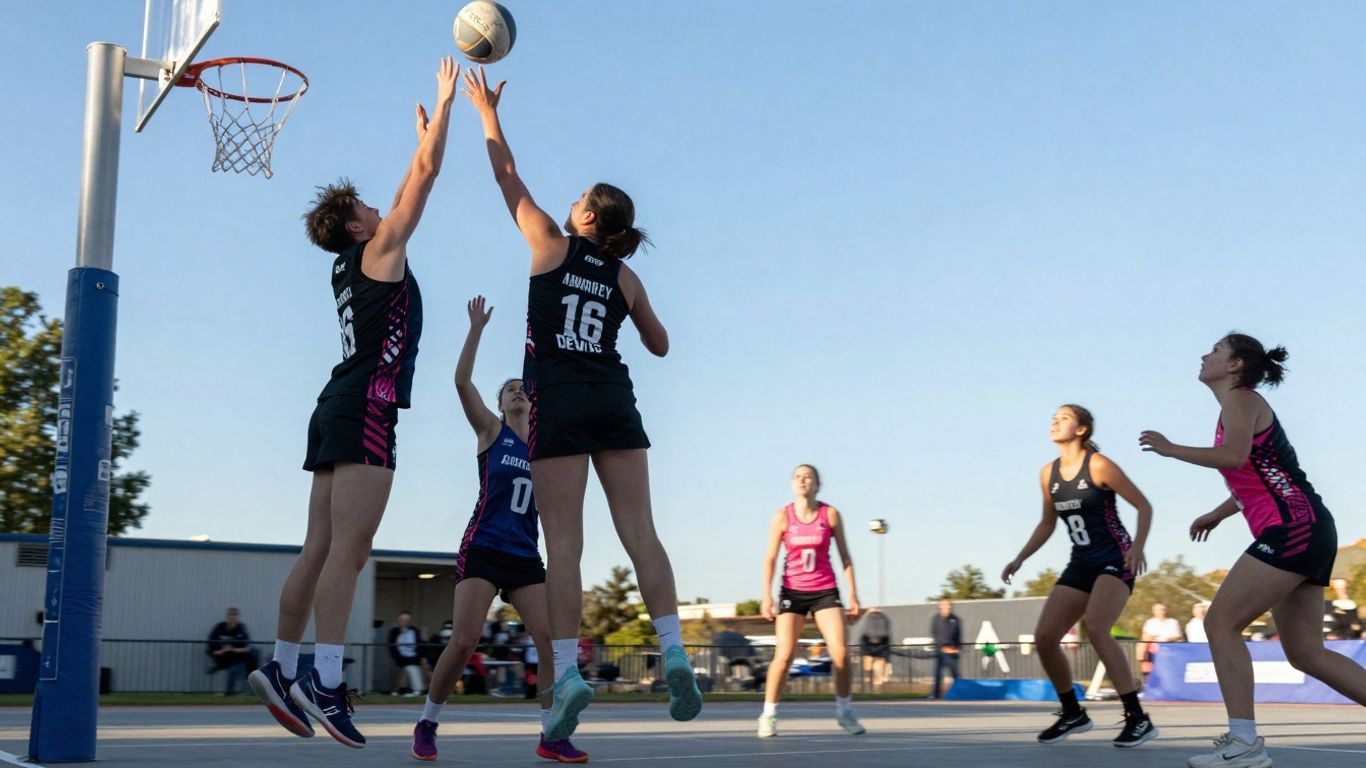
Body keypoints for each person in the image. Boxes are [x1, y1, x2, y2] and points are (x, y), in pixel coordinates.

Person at [461, 65, 702, 743]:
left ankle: (566, 673)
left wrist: (485, 112)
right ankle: (676, 652)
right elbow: (659, 345)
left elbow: (506, 176)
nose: (567, 204)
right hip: (614, 400)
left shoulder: (548, 243)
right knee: (642, 535)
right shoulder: (625, 274)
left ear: (588, 216)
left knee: (563, 546)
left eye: (577, 200)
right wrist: (625, 300)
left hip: (557, 402)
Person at [248, 57, 460, 749]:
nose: (378, 205)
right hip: (365, 406)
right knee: (351, 550)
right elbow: (422, 184)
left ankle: (282, 667)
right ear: (359, 227)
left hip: (334, 401)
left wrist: (419, 140)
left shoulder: (353, 258)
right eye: (367, 205)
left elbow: (406, 185)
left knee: (319, 546)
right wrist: (447, 104)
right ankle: (326, 681)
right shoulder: (379, 251)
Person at [1141, 333, 1366, 767]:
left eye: (1216, 350)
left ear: (1235, 365)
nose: (1205, 355)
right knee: (1306, 653)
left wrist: (1171, 450)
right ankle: (1245, 743)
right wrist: (1221, 511)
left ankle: (1244, 743)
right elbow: (1260, 473)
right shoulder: (1238, 406)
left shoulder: (1240, 400)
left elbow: (1233, 456)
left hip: (1294, 528)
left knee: (1220, 623)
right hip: (1309, 526)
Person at [411, 296, 585, 763]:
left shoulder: (545, 445)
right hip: (485, 547)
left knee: (549, 640)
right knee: (466, 639)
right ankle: (428, 721)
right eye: (508, 389)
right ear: (499, 403)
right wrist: (475, 329)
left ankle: (551, 733)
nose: (516, 392)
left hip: (526, 556)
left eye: (521, 388)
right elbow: (460, 381)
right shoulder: (492, 433)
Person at [1003, 404, 1157, 747]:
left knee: (1097, 627)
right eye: (1053, 418)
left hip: (1116, 557)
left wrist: (1138, 546)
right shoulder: (1048, 473)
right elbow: (1047, 523)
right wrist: (1021, 558)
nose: (1055, 421)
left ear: (1082, 429)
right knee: (1044, 637)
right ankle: (1073, 713)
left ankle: (1137, 717)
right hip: (1081, 562)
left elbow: (1144, 506)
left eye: (1064, 418)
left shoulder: (1098, 465)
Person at [757, 464, 865, 738]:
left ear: (817, 484)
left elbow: (846, 556)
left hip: (825, 590)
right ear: (793, 484)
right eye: (798, 476)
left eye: (808, 477)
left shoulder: (829, 514)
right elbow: (770, 558)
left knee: (841, 653)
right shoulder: (782, 516)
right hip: (792, 591)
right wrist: (766, 595)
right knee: (784, 655)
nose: (803, 480)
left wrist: (852, 593)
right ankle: (768, 714)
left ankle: (845, 711)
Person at [207, 608, 259, 696]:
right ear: (227, 617)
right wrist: (222, 650)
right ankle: (229, 693)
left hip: (237, 657)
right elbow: (211, 648)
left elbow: (246, 648)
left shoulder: (241, 628)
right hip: (223, 657)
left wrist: (232, 649)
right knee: (234, 668)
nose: (232, 618)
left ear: (237, 617)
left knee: (254, 652)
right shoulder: (219, 627)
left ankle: (252, 678)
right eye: (230, 615)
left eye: (234, 616)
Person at [388, 611, 429, 696]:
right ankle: (417, 689)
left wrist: (421, 655)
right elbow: (391, 644)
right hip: (401, 656)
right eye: (402, 619)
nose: (404, 621)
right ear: (399, 620)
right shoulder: (394, 631)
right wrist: (396, 656)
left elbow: (420, 643)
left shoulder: (414, 630)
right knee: (409, 669)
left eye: (406, 619)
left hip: (414, 656)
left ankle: (417, 689)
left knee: (418, 670)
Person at [928, 600, 960, 700]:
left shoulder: (955, 619)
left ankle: (959, 692)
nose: (948, 608)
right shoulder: (936, 619)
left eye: (949, 606)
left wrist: (956, 648)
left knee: (955, 674)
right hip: (940, 650)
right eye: (946, 606)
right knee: (937, 673)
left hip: (951, 650)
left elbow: (958, 635)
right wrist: (939, 645)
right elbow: (934, 632)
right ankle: (935, 694)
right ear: (940, 607)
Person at [859, 608, 893, 691]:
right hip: (870, 645)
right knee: (868, 668)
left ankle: (877, 685)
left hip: (880, 645)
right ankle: (869, 685)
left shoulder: (883, 619)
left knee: (879, 668)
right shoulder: (869, 620)